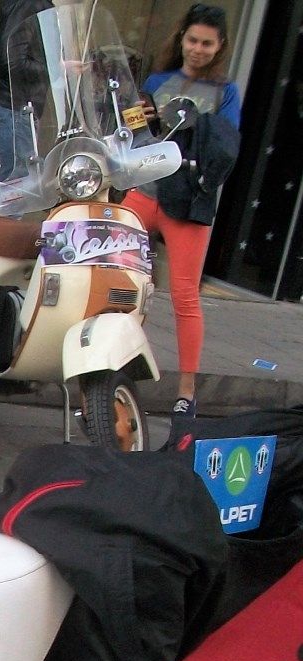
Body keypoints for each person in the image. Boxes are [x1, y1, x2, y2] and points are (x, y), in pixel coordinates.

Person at [125, 3, 243, 421]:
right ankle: (116, 366)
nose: (197, 49)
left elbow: (226, 149)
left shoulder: (226, 92)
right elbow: (131, 132)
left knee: (185, 296)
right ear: (182, 39)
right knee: (120, 280)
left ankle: (187, 392)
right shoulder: (158, 81)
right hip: (145, 191)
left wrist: (193, 126)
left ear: (220, 46)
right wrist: (139, 116)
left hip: (188, 202)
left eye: (207, 43)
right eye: (192, 40)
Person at [0, 0, 51, 181]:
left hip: (8, 108)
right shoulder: (29, 4)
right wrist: (56, 67)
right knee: (7, 188)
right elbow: (13, 62)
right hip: (10, 111)